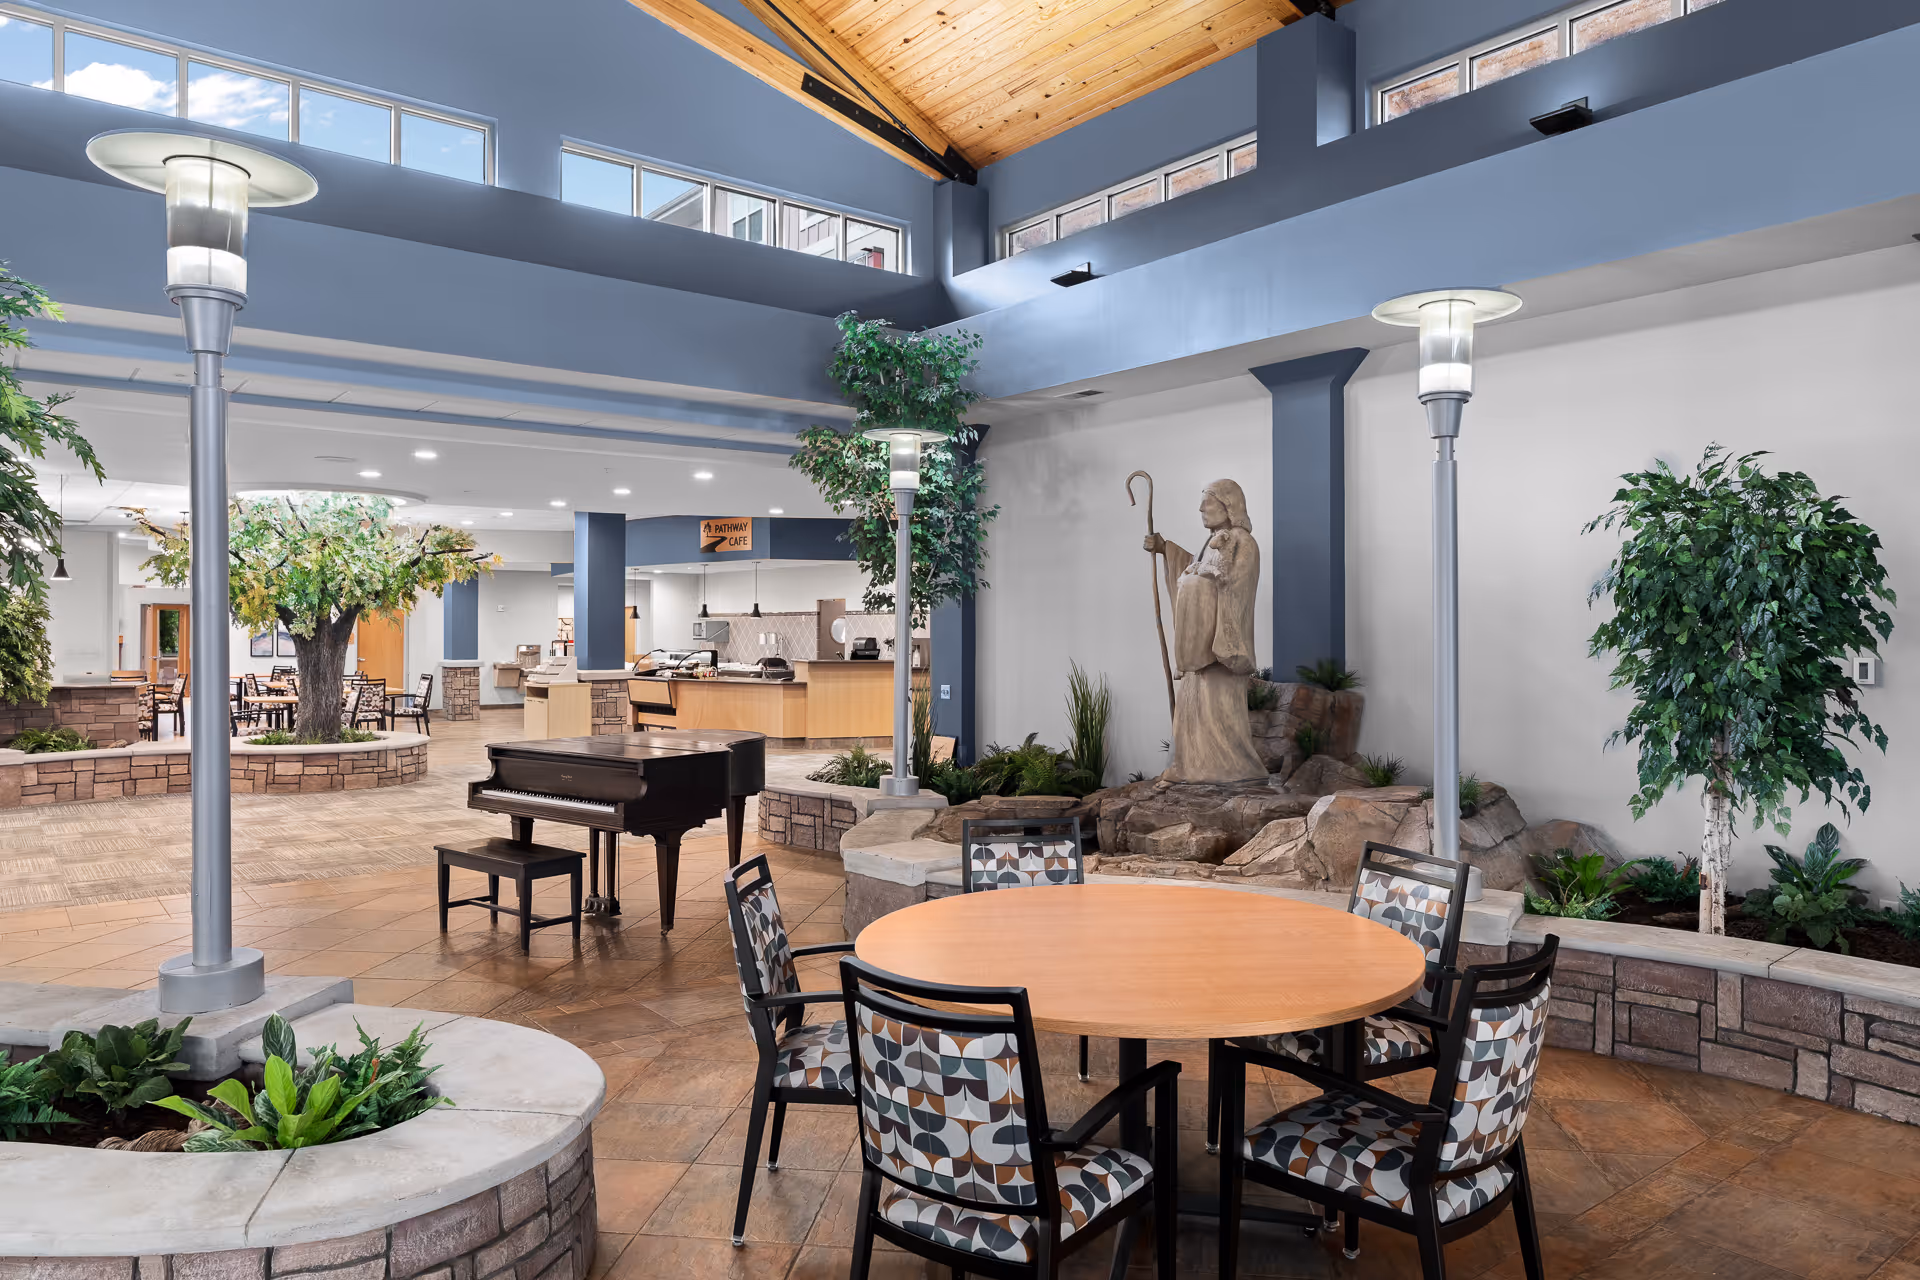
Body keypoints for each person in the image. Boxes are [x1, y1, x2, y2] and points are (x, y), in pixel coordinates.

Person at [1143, 479, 1267, 783]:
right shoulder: (1214, 540)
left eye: (1208, 502)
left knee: (1219, 711)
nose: (1201, 508)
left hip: (1218, 650)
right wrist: (1165, 549)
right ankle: (1191, 767)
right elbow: (1195, 567)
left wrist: (1198, 580)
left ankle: (1232, 768)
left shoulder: (1243, 542)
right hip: (1199, 652)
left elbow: (1235, 585)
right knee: (1192, 707)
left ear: (1228, 506)